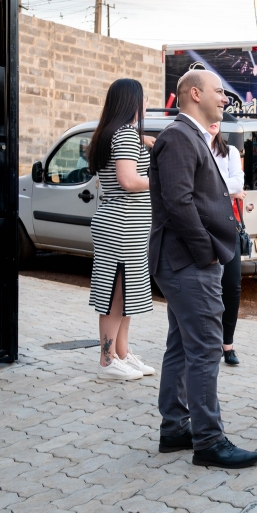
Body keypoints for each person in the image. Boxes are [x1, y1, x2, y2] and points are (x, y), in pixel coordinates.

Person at [148, 69, 257, 469]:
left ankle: (175, 429)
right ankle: (209, 441)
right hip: (187, 262)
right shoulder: (180, 137)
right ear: (195, 94)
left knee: (182, 345)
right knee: (206, 349)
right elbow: (178, 203)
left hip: (183, 261)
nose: (225, 98)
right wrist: (205, 253)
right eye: (219, 91)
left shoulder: (190, 136)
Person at [87, 78, 157, 381]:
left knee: (125, 292)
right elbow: (128, 180)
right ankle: (107, 361)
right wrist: (160, 182)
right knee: (117, 293)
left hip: (121, 222)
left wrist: (142, 140)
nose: (146, 104)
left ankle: (122, 354)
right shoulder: (126, 134)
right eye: (143, 98)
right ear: (132, 102)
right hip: (123, 224)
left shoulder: (110, 133)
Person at [207, 122, 245, 366]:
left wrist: (210, 186)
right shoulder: (196, 147)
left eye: (218, 118)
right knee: (206, 286)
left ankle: (227, 343)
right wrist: (227, 189)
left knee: (232, 286)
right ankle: (206, 340)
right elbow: (195, 185)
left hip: (228, 226)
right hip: (202, 226)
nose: (214, 121)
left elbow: (238, 184)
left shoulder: (229, 151)